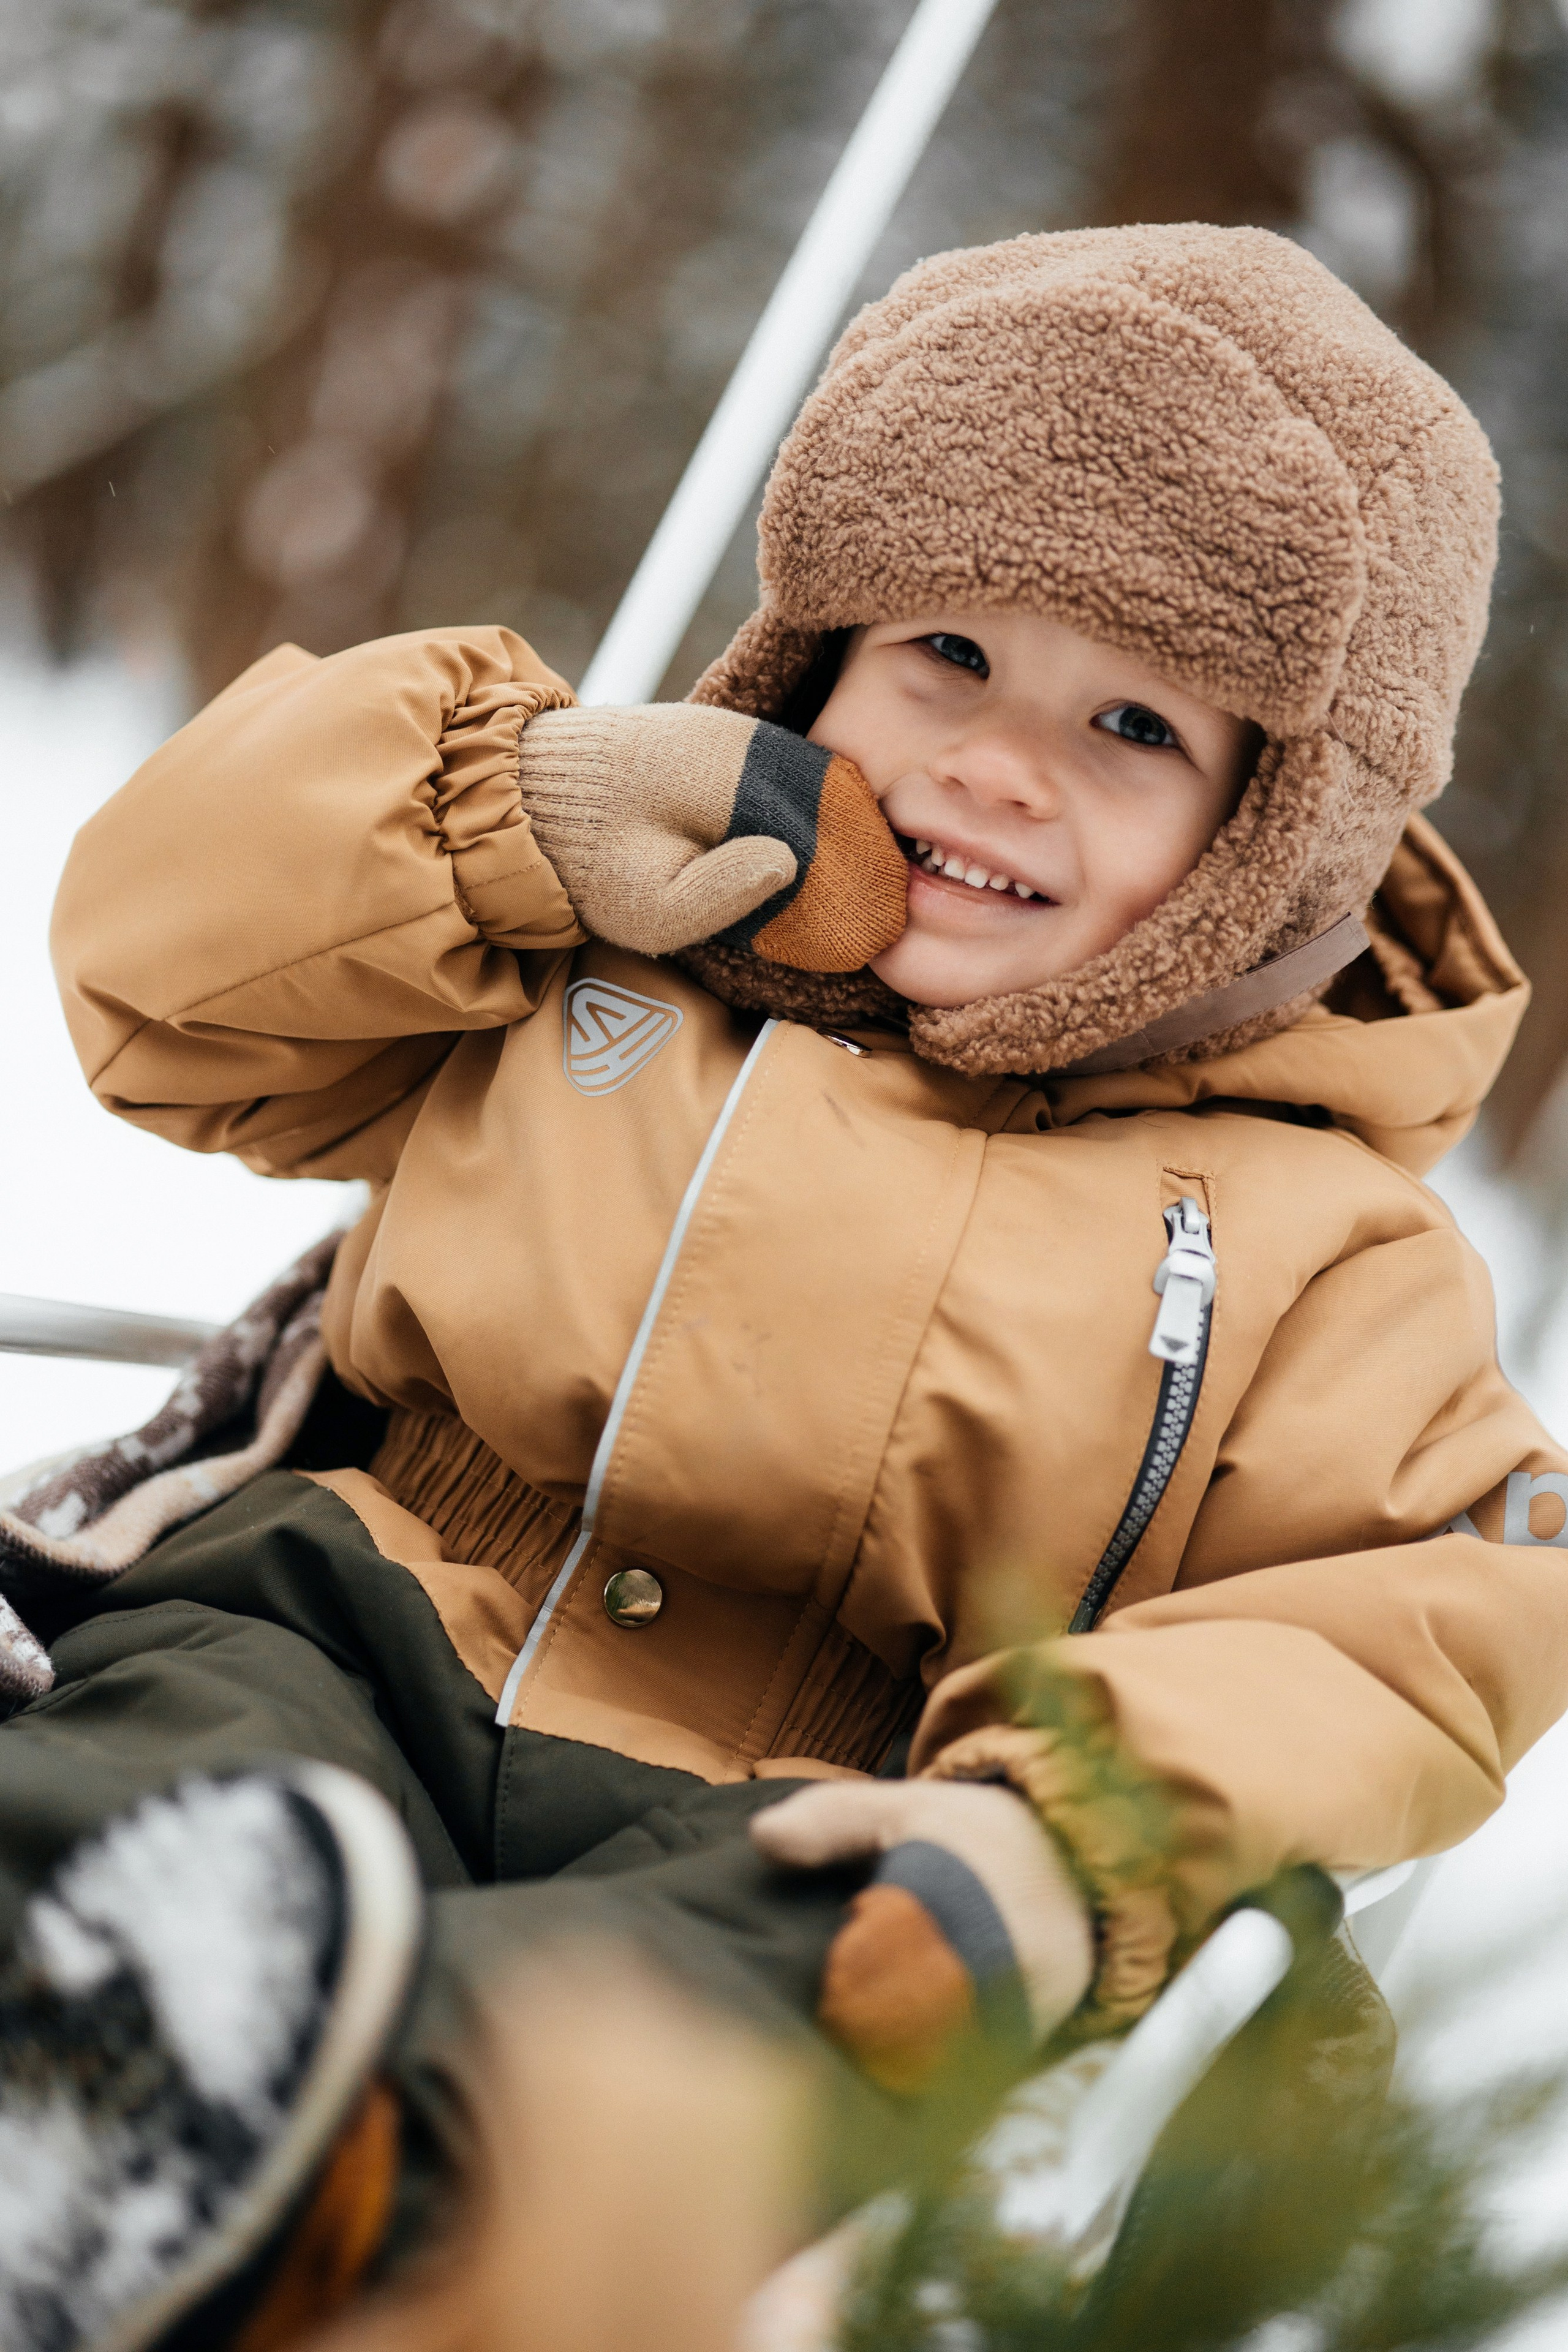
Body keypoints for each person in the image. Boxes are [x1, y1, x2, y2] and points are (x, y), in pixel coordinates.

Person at [4, 221, 1567, 2352]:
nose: (998, 766)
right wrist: (512, 814)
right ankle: (84, 2051)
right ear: (814, 653)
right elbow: (154, 970)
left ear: (1280, 838)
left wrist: (1059, 1840)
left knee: (681, 2048)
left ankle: (329, 2180)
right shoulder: (597, 954)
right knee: (154, 1763)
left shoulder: (1318, 1238)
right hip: (354, 1605)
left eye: (1130, 720)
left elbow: (1406, 1622)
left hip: (817, 1804)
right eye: (946, 649)